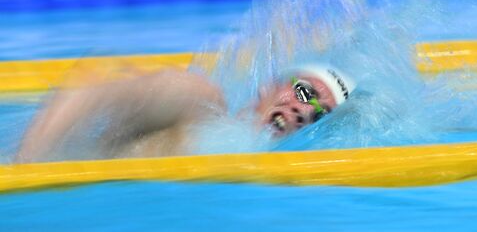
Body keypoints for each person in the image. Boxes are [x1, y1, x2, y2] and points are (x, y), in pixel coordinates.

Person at [16, 64, 356, 162]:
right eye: (304, 92)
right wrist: (25, 170)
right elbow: (87, 88)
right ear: (270, 85)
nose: (303, 111)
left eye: (319, 114)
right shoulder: (200, 102)